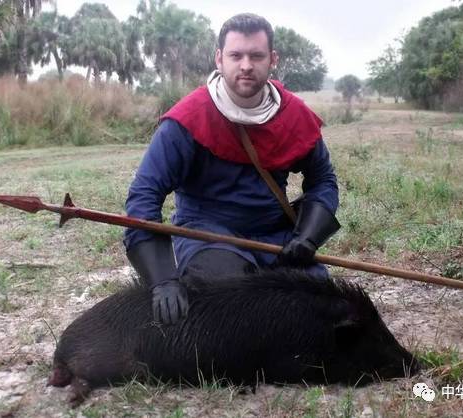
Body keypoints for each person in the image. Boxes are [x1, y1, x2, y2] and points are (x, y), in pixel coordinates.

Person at [124, 13, 340, 325]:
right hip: (206, 233)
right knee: (231, 304)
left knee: (323, 310)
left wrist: (306, 238)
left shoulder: (295, 115)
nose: (246, 66)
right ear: (219, 59)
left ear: (273, 59)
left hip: (275, 235)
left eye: (256, 55)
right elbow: (144, 195)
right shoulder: (187, 118)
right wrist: (163, 281)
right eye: (236, 55)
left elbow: (323, 180)